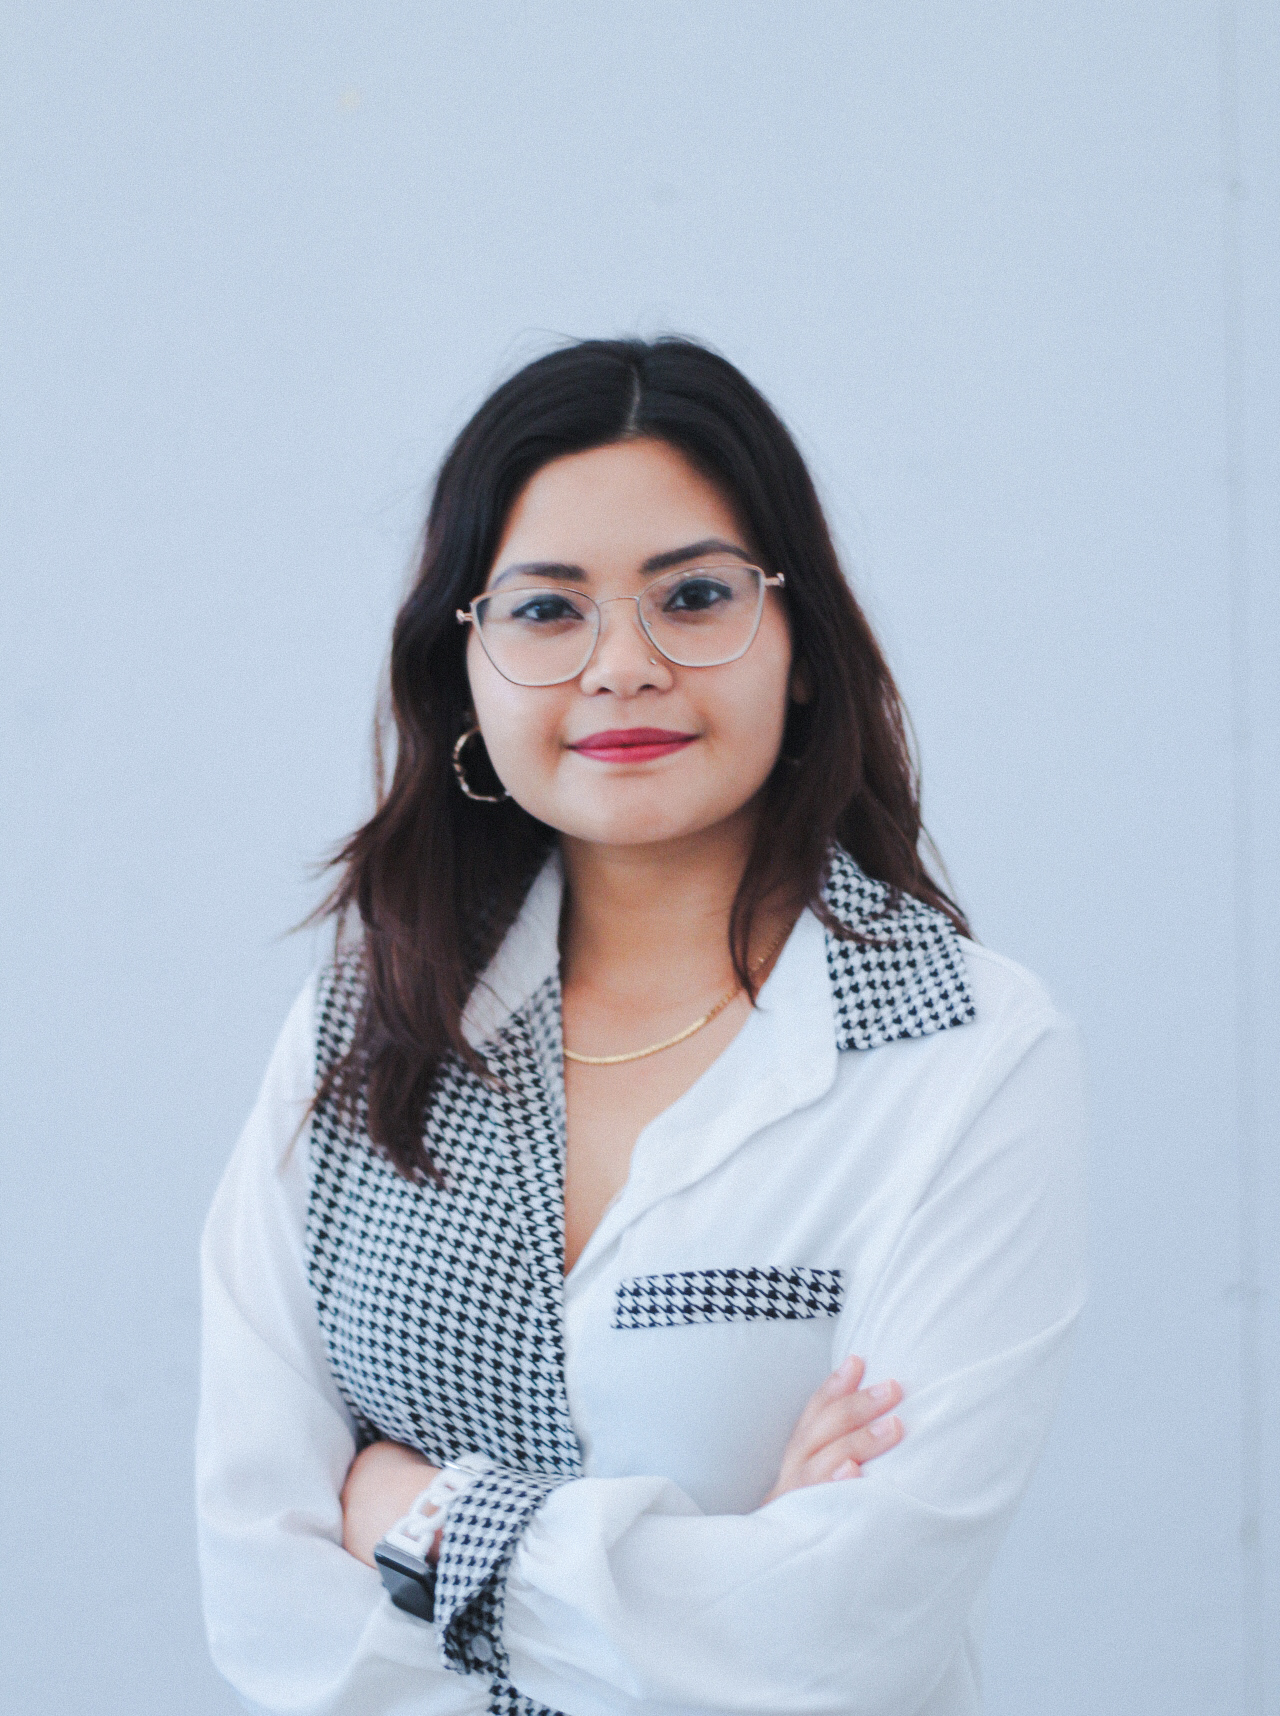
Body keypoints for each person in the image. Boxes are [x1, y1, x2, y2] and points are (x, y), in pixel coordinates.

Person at [197, 336, 1086, 1716]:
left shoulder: (963, 1048)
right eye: (549, 611)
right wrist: (705, 1581)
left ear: (800, 648)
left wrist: (414, 1517)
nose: (624, 665)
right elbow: (264, 1599)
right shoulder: (362, 1023)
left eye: (694, 595)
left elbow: (841, 1644)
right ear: (465, 667)